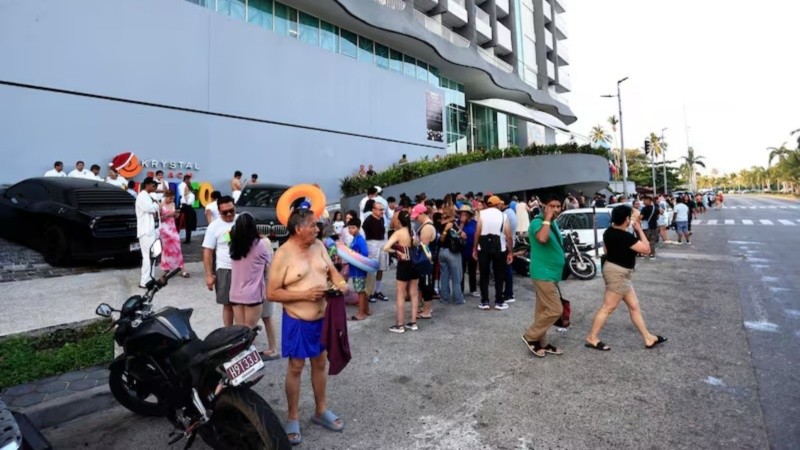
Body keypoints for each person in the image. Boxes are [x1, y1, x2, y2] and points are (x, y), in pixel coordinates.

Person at [266, 209, 348, 445]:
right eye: (312, 225)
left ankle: (321, 410)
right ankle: (293, 416)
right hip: (297, 320)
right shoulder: (282, 254)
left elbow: (332, 272)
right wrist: (305, 294)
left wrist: (341, 284)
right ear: (298, 228)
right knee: (295, 367)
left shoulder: (319, 246)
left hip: (322, 319)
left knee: (321, 362)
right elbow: (271, 292)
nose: (317, 229)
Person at [585, 205, 667, 351]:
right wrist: (639, 229)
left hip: (616, 271)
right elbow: (647, 250)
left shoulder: (609, 232)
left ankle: (648, 337)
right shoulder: (626, 237)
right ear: (627, 219)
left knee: (634, 305)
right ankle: (592, 337)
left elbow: (606, 250)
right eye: (630, 217)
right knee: (608, 307)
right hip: (618, 274)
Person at [521, 193, 566, 357]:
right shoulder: (537, 222)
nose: (555, 209)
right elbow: (542, 238)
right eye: (552, 206)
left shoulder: (552, 223)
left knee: (542, 311)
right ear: (544, 207)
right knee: (556, 309)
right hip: (543, 273)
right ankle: (530, 335)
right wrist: (547, 218)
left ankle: (542, 343)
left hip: (551, 274)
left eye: (558, 206)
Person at [228, 213, 269, 331]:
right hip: (252, 293)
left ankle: (241, 350)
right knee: (249, 330)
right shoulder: (259, 244)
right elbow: (269, 262)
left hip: (235, 293)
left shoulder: (233, 244)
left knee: (240, 330)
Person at [383, 210, 420, 333]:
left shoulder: (398, 233)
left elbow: (386, 247)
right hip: (414, 264)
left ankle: (400, 325)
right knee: (414, 293)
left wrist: (397, 252)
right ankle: (413, 322)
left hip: (403, 264)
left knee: (400, 294)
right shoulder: (412, 231)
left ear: (399, 221)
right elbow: (417, 243)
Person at [473, 196, 513, 311]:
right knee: (499, 275)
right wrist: (510, 252)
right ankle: (499, 301)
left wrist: (475, 249)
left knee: (484, 275)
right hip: (500, 248)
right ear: (497, 204)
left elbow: (477, 233)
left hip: (483, 248)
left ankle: (484, 301)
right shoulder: (503, 215)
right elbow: (509, 236)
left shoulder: (482, 214)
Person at [202, 196, 237, 327]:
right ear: (219, 211)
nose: (229, 214)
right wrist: (209, 275)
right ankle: (228, 333)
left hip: (244, 269)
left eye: (231, 211)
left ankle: (243, 334)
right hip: (225, 269)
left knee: (243, 305)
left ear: (235, 207)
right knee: (227, 305)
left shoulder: (242, 220)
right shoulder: (213, 227)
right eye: (224, 212)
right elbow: (207, 251)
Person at [412, 204, 437, 319]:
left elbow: (424, 246)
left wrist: (415, 242)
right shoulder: (425, 225)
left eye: (417, 216)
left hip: (425, 261)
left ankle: (427, 311)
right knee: (423, 284)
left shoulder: (427, 227)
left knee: (426, 285)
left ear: (422, 214)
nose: (416, 219)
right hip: (425, 260)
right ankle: (426, 308)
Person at [135, 177, 160, 288]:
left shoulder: (148, 196)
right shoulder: (141, 196)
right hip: (145, 231)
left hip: (151, 230)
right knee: (147, 256)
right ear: (148, 185)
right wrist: (155, 205)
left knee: (153, 255)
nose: (155, 188)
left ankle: (150, 279)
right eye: (153, 185)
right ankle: (144, 281)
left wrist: (155, 205)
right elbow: (149, 208)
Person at [362, 200, 389, 303]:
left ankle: (378, 290)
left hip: (382, 242)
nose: (382, 211)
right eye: (380, 209)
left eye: (383, 209)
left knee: (381, 268)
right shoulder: (368, 220)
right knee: (371, 268)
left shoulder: (382, 219)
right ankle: (369, 292)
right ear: (373, 210)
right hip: (372, 244)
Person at [158, 190, 188, 278]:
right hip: (164, 228)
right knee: (167, 249)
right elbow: (159, 218)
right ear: (166, 197)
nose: (172, 200)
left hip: (172, 226)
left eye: (173, 198)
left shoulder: (173, 204)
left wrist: (176, 214)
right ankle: (167, 267)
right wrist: (168, 215)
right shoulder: (160, 205)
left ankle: (180, 267)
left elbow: (175, 216)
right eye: (170, 198)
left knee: (177, 246)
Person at [438, 211, 465, 305]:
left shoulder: (438, 225)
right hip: (453, 253)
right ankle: (458, 299)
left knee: (444, 277)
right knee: (456, 277)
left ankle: (445, 298)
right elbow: (463, 235)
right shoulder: (452, 225)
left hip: (441, 252)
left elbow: (440, 240)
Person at [346, 217, 371, 321]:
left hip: (358, 270)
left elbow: (365, 252)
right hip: (356, 269)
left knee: (360, 292)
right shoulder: (355, 239)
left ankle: (361, 313)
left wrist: (355, 257)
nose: (351, 229)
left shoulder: (359, 239)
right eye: (349, 227)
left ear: (358, 228)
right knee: (362, 291)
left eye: (353, 227)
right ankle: (367, 310)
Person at [457, 204, 478, 297]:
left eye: (465, 214)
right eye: (461, 214)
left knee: (472, 271)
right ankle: (461, 290)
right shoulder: (457, 223)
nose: (463, 216)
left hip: (472, 249)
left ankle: (473, 289)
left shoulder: (474, 223)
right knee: (461, 271)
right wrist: (461, 224)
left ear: (469, 214)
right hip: (461, 250)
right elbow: (456, 235)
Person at [178, 175, 197, 244]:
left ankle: (187, 239)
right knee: (180, 223)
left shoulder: (191, 195)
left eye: (186, 188)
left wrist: (186, 196)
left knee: (188, 225)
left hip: (188, 209)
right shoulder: (183, 194)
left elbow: (188, 202)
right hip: (183, 208)